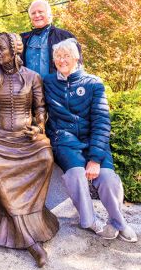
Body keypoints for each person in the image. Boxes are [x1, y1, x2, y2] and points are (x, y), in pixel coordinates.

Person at [43, 39, 138, 242]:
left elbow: (102, 122)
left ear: (76, 58)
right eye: (58, 56)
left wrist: (95, 158)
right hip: (65, 140)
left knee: (108, 178)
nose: (61, 60)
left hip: (92, 140)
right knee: (76, 174)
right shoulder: (48, 82)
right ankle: (91, 221)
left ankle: (118, 221)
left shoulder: (93, 83)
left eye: (66, 55)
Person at [0, 32, 59, 268]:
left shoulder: (33, 77)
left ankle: (35, 220)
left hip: (26, 136)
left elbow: (40, 107)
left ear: (15, 50)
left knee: (45, 157)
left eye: (1, 48)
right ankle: (29, 240)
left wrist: (40, 126)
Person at [21, 0, 82, 77]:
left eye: (40, 12)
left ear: (49, 14)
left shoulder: (65, 36)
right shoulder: (23, 39)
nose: (37, 15)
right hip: (29, 87)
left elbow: (78, 64)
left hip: (56, 88)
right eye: (33, 13)